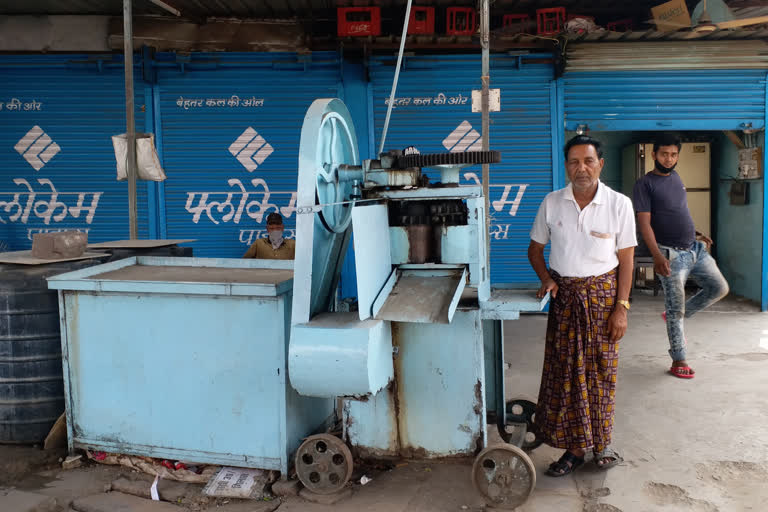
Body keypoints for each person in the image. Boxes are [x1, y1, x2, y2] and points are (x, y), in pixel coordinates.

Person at [528, 135, 636, 477]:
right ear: (566, 166)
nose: (582, 168)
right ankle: (574, 450)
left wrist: (621, 307)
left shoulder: (619, 204)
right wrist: (547, 278)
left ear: (600, 164)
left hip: (604, 302)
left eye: (588, 161)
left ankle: (602, 444)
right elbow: (534, 250)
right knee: (566, 377)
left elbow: (627, 261)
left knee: (601, 373)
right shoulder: (552, 202)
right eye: (574, 162)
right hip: (565, 302)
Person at [633, 134, 729, 379]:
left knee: (719, 288)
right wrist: (656, 256)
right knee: (675, 309)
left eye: (674, 154)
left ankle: (676, 315)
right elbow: (645, 225)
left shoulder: (676, 177)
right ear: (654, 155)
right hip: (670, 254)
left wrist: (696, 233)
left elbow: (676, 212)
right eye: (664, 154)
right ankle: (679, 359)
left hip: (693, 248)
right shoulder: (645, 184)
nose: (669, 158)